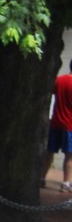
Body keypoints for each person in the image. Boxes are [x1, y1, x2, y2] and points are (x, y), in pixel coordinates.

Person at [44, 64, 72, 193]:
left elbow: (50, 92)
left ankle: (41, 178)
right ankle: (66, 183)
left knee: (49, 152)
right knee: (69, 156)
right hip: (70, 125)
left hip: (56, 122)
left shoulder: (59, 80)